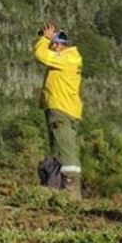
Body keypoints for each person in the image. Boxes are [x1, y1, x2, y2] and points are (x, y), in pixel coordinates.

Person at [35, 23, 83, 199]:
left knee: (65, 148)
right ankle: (56, 186)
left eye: (52, 44)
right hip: (63, 107)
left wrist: (44, 38)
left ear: (58, 45)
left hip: (61, 108)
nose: (50, 47)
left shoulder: (67, 58)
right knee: (59, 148)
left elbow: (41, 55)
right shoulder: (68, 59)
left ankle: (71, 190)